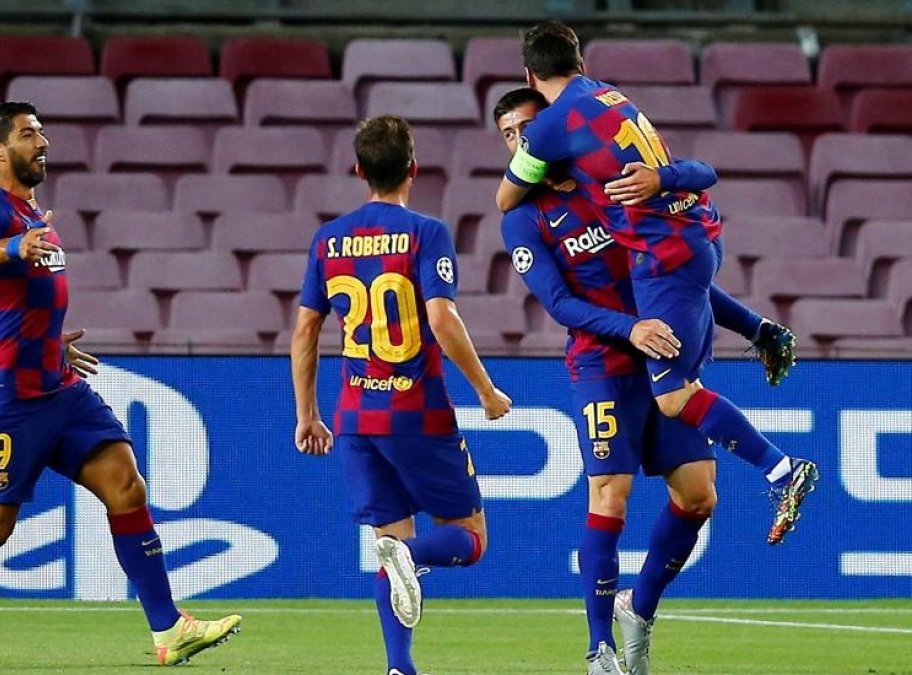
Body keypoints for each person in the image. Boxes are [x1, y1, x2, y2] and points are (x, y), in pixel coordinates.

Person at [0, 102, 240, 667]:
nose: (43, 142)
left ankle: (169, 628)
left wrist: (51, 340)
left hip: (58, 383)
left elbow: (21, 300)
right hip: (10, 397)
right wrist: (10, 248)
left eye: (43, 132)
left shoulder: (33, 214)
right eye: (29, 134)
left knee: (126, 485)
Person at [494, 87, 787, 675]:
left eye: (530, 125)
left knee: (700, 495)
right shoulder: (523, 219)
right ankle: (599, 648)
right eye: (510, 135)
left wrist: (753, 327)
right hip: (603, 365)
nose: (523, 139)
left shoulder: (610, 186)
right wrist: (631, 329)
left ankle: (639, 609)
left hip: (664, 360)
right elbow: (558, 304)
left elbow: (683, 277)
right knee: (610, 495)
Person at [497, 22, 817, 547]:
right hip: (691, 235)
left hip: (662, 252)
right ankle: (765, 343)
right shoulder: (613, 99)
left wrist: (531, 157)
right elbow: (697, 170)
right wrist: (755, 327)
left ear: (530, 74)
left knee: (672, 400)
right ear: (580, 61)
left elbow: (505, 198)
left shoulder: (553, 130)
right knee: (673, 420)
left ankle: (781, 471)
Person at [290, 115, 512, 675]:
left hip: (355, 419)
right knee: (469, 537)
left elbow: (305, 330)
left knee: (390, 539)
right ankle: (408, 558)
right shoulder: (426, 232)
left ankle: (399, 666)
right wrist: (486, 391)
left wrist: (308, 414)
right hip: (416, 411)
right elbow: (441, 318)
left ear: (358, 169)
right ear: (413, 167)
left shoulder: (328, 238)